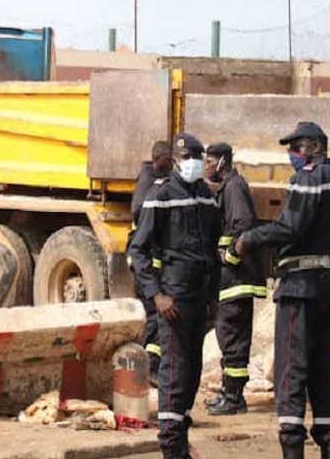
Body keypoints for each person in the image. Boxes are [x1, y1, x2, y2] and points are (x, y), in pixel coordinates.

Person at [234, 122, 330, 459]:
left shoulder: (308, 179)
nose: (292, 155)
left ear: (316, 147)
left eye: (297, 147)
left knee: (291, 374)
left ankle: (292, 449)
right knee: (320, 377)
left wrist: (249, 239)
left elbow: (290, 227)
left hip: (300, 291)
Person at [129, 133, 221, 459]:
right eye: (184, 158)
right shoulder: (161, 195)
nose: (190, 163)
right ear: (176, 161)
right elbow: (137, 250)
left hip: (199, 301)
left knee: (192, 372)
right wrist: (156, 296)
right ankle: (170, 446)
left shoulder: (208, 198)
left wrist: (213, 296)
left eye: (195, 157)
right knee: (173, 371)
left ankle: (180, 442)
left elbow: (213, 250)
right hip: (174, 301)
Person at [202, 142, 266, 416]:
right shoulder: (228, 187)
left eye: (210, 161)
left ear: (223, 162)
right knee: (228, 336)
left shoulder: (234, 187)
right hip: (230, 279)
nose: (206, 166)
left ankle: (234, 398)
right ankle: (229, 393)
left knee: (233, 336)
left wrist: (229, 256)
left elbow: (244, 225)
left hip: (237, 279)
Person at [129, 140, 173, 386]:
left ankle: (151, 367)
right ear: (160, 158)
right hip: (146, 265)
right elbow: (139, 212)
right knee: (151, 317)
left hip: (153, 264)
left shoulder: (156, 179)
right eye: (170, 158)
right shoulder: (149, 181)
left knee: (157, 319)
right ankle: (145, 368)